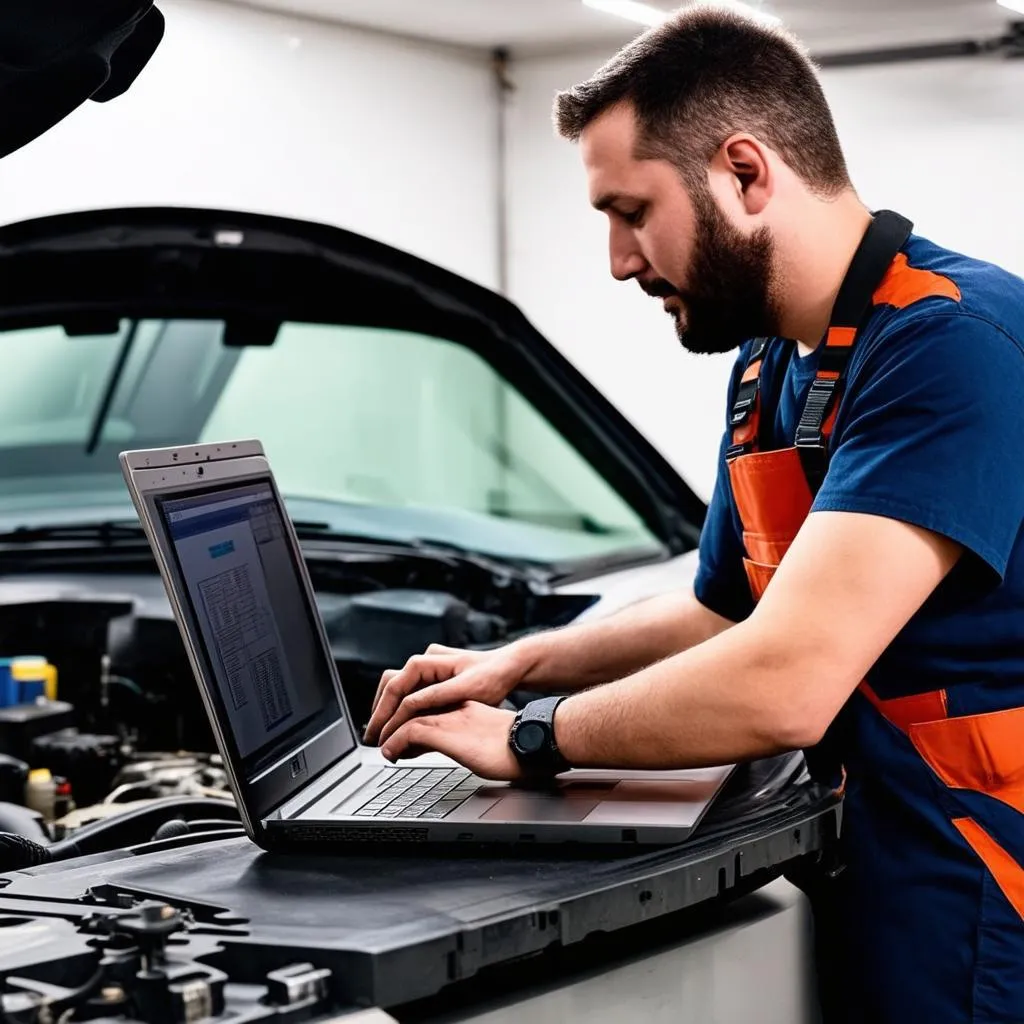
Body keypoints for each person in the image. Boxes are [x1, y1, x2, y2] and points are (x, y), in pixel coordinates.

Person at [363, 5, 1024, 1021]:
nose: (620, 260)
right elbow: (724, 610)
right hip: (869, 864)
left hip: (980, 892)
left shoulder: (949, 343)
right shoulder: (768, 363)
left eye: (631, 211)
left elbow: (785, 681)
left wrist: (535, 737)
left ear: (745, 174)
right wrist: (522, 663)